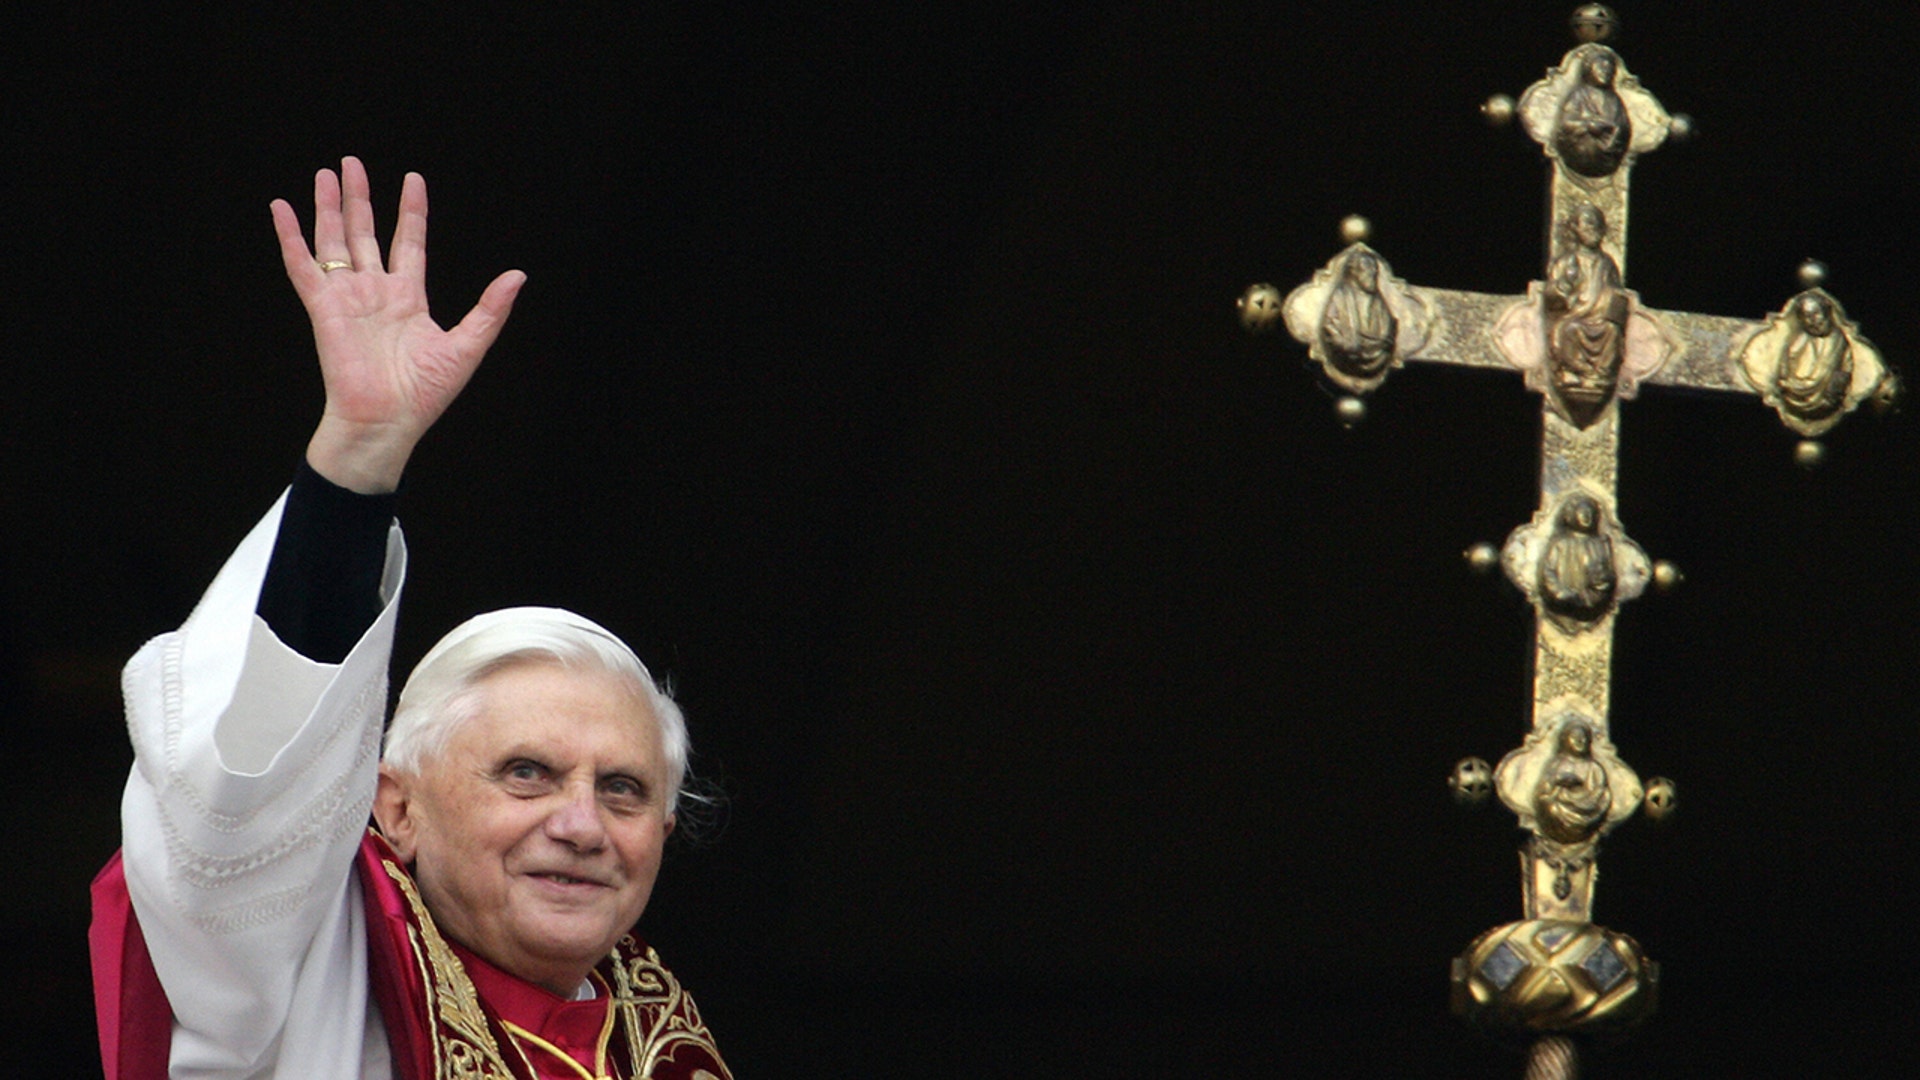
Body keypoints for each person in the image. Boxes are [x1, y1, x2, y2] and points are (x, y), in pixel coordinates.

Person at [89, 158, 730, 1079]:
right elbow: (248, 796)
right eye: (527, 773)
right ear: (396, 808)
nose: (583, 825)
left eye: (624, 790)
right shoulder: (305, 972)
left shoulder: (663, 1041)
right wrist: (358, 458)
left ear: (662, 836)